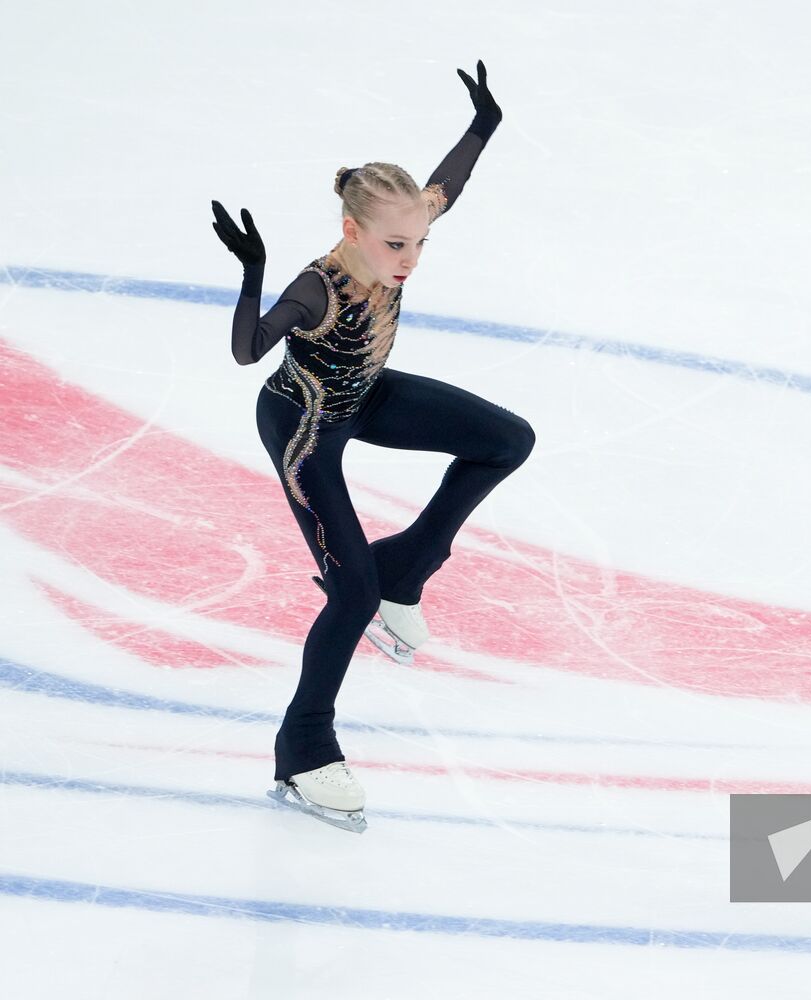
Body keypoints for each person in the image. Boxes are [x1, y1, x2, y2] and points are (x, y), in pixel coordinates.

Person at [210, 61, 535, 832]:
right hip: (302, 426)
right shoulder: (318, 286)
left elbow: (445, 186)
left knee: (505, 441)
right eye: (396, 244)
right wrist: (254, 273)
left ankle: (405, 571)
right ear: (353, 231)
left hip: (364, 395)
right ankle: (304, 747)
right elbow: (248, 351)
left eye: (420, 241)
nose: (410, 258)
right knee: (349, 594)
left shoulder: (403, 229)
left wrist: (483, 125)